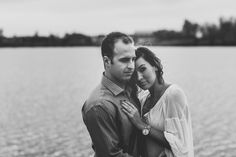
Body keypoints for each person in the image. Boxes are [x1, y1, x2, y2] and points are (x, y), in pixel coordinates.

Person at [121, 47, 194, 157]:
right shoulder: (143, 98)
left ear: (154, 65)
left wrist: (141, 125)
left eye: (142, 69)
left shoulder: (173, 94)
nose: (139, 78)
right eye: (134, 74)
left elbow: (179, 144)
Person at [82, 32, 142, 157]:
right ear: (107, 61)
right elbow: (112, 156)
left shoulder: (131, 88)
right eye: (125, 60)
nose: (131, 66)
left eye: (133, 59)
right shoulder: (99, 106)